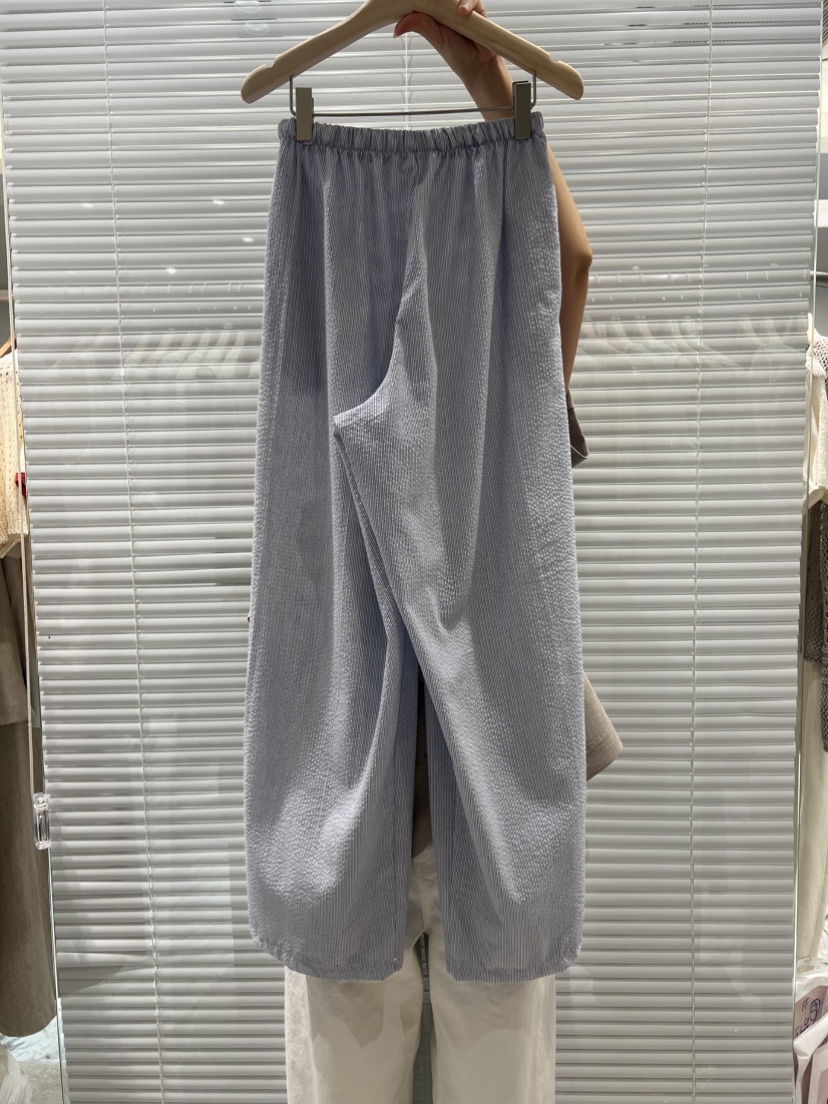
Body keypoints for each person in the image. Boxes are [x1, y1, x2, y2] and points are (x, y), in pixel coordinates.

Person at [281, 5, 595, 1102]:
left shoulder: (508, 395)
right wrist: (489, 85)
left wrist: (491, 88)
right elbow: (574, 263)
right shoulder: (511, 393)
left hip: (395, 789)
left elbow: (569, 263)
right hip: (461, 782)